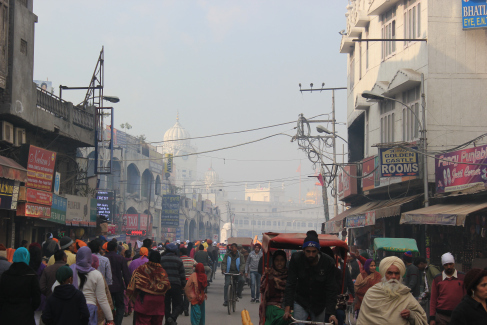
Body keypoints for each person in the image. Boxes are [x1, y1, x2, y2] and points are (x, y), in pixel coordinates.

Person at [283, 231, 338, 325]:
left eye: (314, 251)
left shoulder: (328, 262)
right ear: (303, 250)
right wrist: (287, 307)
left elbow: (331, 289)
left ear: (318, 250)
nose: (311, 255)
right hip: (301, 301)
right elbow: (290, 283)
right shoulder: (296, 259)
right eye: (308, 251)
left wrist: (331, 313)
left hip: (319, 303)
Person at [357, 256, 428, 325]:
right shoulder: (372, 293)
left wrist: (411, 314)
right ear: (384, 274)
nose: (393, 276)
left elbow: (421, 318)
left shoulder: (405, 294)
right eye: (390, 273)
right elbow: (363, 320)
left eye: (396, 273)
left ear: (400, 275)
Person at [70, 246, 114, 325]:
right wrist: (110, 318)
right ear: (89, 258)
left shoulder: (70, 270)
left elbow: (54, 288)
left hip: (73, 309)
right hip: (90, 310)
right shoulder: (96, 274)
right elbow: (102, 299)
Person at [127, 250, 171, 325]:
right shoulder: (162, 272)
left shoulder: (140, 269)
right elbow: (167, 286)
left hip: (144, 301)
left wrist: (131, 299)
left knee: (142, 321)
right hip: (159, 302)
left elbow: (131, 286)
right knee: (157, 322)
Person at [0, 247, 41, 325]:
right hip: (25, 314)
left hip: (7, 314)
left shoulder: (6, 274)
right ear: (27, 257)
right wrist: (30, 308)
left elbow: (1, 295)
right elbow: (37, 298)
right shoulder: (31, 275)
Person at [429, 252, 466, 325]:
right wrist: (432, 318)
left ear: (454, 264)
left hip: (459, 315)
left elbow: (466, 296)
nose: (449, 267)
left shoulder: (462, 277)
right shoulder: (437, 279)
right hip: (441, 316)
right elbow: (433, 299)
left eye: (450, 264)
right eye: (446, 265)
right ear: (443, 265)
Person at [259, 250, 289, 325]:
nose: (279, 263)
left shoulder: (290, 274)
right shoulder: (268, 274)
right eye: (277, 260)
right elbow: (266, 292)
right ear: (273, 261)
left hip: (287, 306)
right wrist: (270, 278)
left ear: (285, 261)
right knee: (282, 317)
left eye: (282, 260)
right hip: (272, 305)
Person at [105, 241, 131, 325]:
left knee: (108, 307)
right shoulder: (120, 258)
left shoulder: (104, 258)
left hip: (107, 287)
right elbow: (126, 274)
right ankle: (117, 323)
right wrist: (129, 287)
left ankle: (109, 322)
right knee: (120, 306)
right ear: (116, 248)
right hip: (118, 286)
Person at [161, 243, 186, 325]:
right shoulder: (178, 260)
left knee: (166, 305)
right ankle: (172, 318)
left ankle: (168, 321)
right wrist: (183, 285)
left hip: (164, 285)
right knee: (179, 304)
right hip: (176, 285)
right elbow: (182, 274)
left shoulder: (162, 259)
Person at [91, 254, 114, 325]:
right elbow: (104, 297)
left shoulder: (78, 273)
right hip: (99, 310)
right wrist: (110, 317)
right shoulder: (98, 275)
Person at [221, 243, 245, 307]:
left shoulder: (240, 255)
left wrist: (241, 271)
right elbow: (224, 263)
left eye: (234, 247)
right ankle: (226, 300)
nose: (232, 249)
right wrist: (223, 269)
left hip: (237, 272)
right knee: (226, 285)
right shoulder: (227, 255)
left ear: (236, 248)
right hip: (229, 272)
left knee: (242, 280)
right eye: (231, 247)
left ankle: (238, 293)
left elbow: (243, 264)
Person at [29, 243, 47, 325]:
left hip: (28, 294)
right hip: (40, 295)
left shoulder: (27, 266)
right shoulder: (43, 267)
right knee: (38, 316)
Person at [181, 247, 197, 317]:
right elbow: (197, 265)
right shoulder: (191, 260)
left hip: (181, 279)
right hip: (189, 280)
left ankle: (180, 308)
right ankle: (186, 309)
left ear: (180, 253)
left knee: (180, 294)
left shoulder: (179, 260)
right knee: (187, 295)